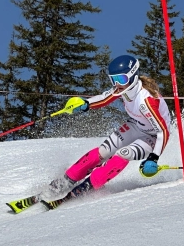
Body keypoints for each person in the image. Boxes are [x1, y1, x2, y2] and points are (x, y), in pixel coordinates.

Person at [39, 54, 172, 203]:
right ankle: (65, 180)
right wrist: (85, 104)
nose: (117, 84)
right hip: (135, 125)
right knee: (103, 151)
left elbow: (163, 131)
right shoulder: (122, 88)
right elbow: (104, 98)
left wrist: (153, 158)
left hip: (152, 136)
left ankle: (87, 187)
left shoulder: (146, 101)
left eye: (121, 79)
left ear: (133, 76)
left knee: (123, 153)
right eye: (113, 80)